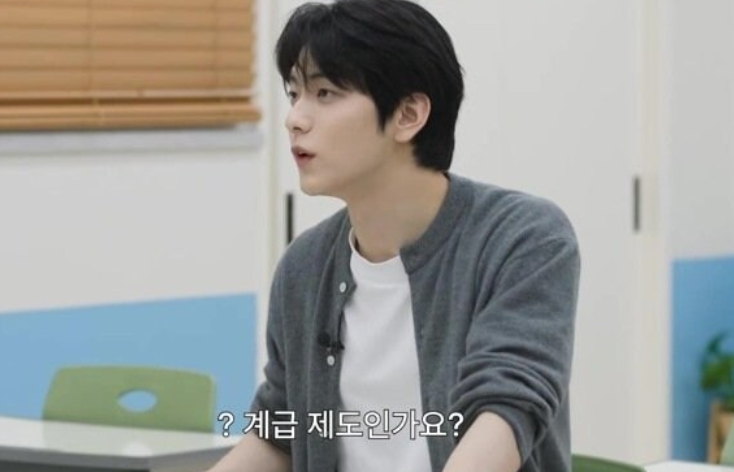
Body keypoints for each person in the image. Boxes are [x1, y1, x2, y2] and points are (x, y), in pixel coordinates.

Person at [208, 0, 580, 471]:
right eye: (295, 93)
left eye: (325, 93)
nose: (295, 118)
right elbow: (281, 432)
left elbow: (504, 410)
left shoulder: (522, 239)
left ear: (408, 114)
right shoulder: (305, 266)